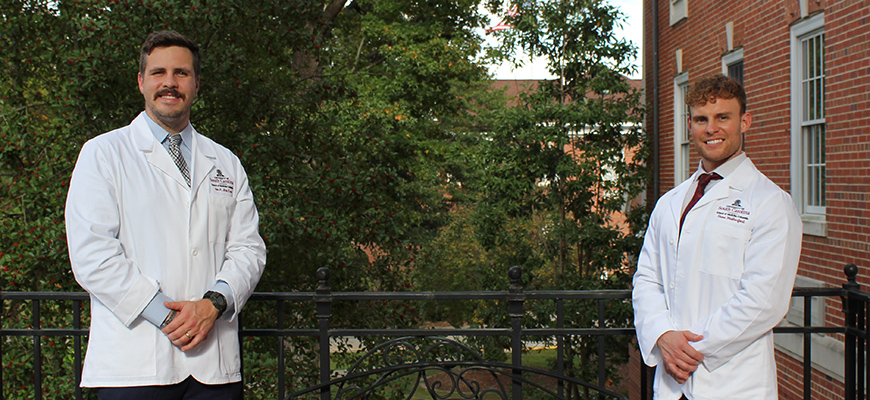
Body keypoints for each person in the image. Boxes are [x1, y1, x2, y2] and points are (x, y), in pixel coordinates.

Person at [65, 30, 266, 400]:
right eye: (158, 73)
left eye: (181, 73)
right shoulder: (103, 154)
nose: (169, 83)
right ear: (141, 81)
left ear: (196, 83)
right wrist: (168, 316)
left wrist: (214, 304)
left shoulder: (225, 162)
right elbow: (92, 254)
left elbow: (248, 249)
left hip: (214, 366)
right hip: (135, 365)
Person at [632, 74, 802, 399]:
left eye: (722, 117)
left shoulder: (770, 203)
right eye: (701, 119)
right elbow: (647, 279)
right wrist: (663, 336)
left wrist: (691, 351)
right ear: (690, 125)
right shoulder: (670, 203)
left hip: (733, 384)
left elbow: (764, 300)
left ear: (744, 122)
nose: (711, 128)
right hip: (671, 386)